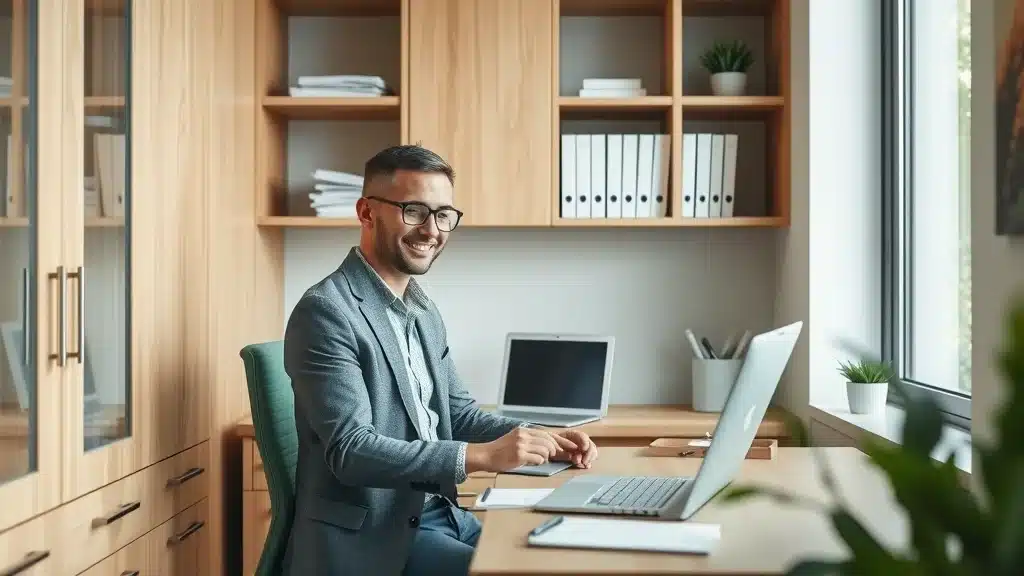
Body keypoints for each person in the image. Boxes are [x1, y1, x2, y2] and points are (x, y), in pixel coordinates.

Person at [281, 144, 599, 576]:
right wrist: (480, 457)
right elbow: (351, 451)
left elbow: (458, 413)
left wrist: (538, 436)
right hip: (378, 536)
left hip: (442, 514)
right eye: (414, 210)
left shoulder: (422, 309)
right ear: (366, 212)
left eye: (443, 214)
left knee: (559, 558)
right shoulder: (327, 311)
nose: (432, 230)